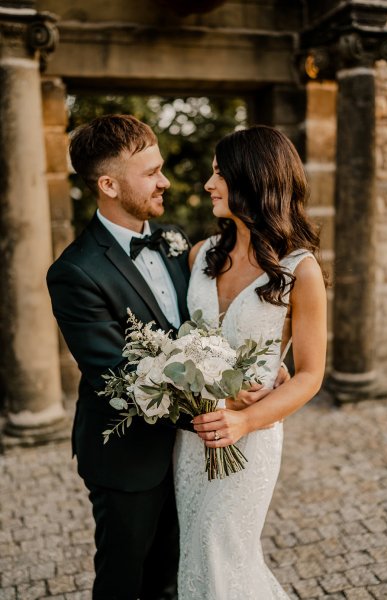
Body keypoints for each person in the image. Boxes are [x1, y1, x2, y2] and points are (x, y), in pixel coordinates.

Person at [46, 114, 288, 600]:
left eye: (161, 167)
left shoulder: (178, 240)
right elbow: (120, 375)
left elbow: (206, 322)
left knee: (179, 575)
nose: (166, 180)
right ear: (109, 184)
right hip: (130, 458)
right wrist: (227, 404)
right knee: (123, 579)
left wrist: (256, 363)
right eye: (151, 173)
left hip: (191, 458)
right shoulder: (74, 272)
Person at [173, 125, 327, 599]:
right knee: (195, 555)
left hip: (251, 440)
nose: (208, 184)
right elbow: (182, 343)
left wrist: (246, 422)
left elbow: (310, 375)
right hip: (194, 439)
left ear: (252, 179)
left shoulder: (300, 271)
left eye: (219, 173)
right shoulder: (199, 256)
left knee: (222, 552)